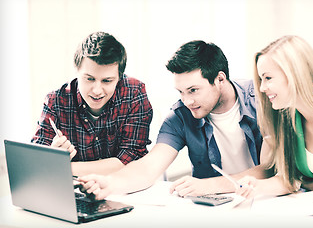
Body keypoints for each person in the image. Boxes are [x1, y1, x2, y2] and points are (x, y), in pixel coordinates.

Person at [79, 40, 271, 200]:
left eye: (193, 90)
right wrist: (110, 184)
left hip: (269, 199)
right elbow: (149, 166)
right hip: (216, 209)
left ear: (220, 79)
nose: (187, 100)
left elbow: (272, 168)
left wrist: (209, 185)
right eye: (181, 92)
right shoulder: (181, 115)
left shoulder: (264, 100)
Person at [236, 35, 313, 199]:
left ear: (294, 74)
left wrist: (308, 184)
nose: (262, 87)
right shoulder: (288, 117)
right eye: (261, 79)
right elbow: (290, 179)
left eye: (268, 78)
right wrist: (257, 185)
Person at [31, 31, 153, 176]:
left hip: (122, 187)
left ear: (119, 77)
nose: (97, 90)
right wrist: (51, 155)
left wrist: (62, 167)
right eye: (89, 79)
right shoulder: (55, 101)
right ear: (77, 71)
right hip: (74, 191)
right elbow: (36, 162)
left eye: (107, 81)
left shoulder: (134, 93)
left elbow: (132, 157)